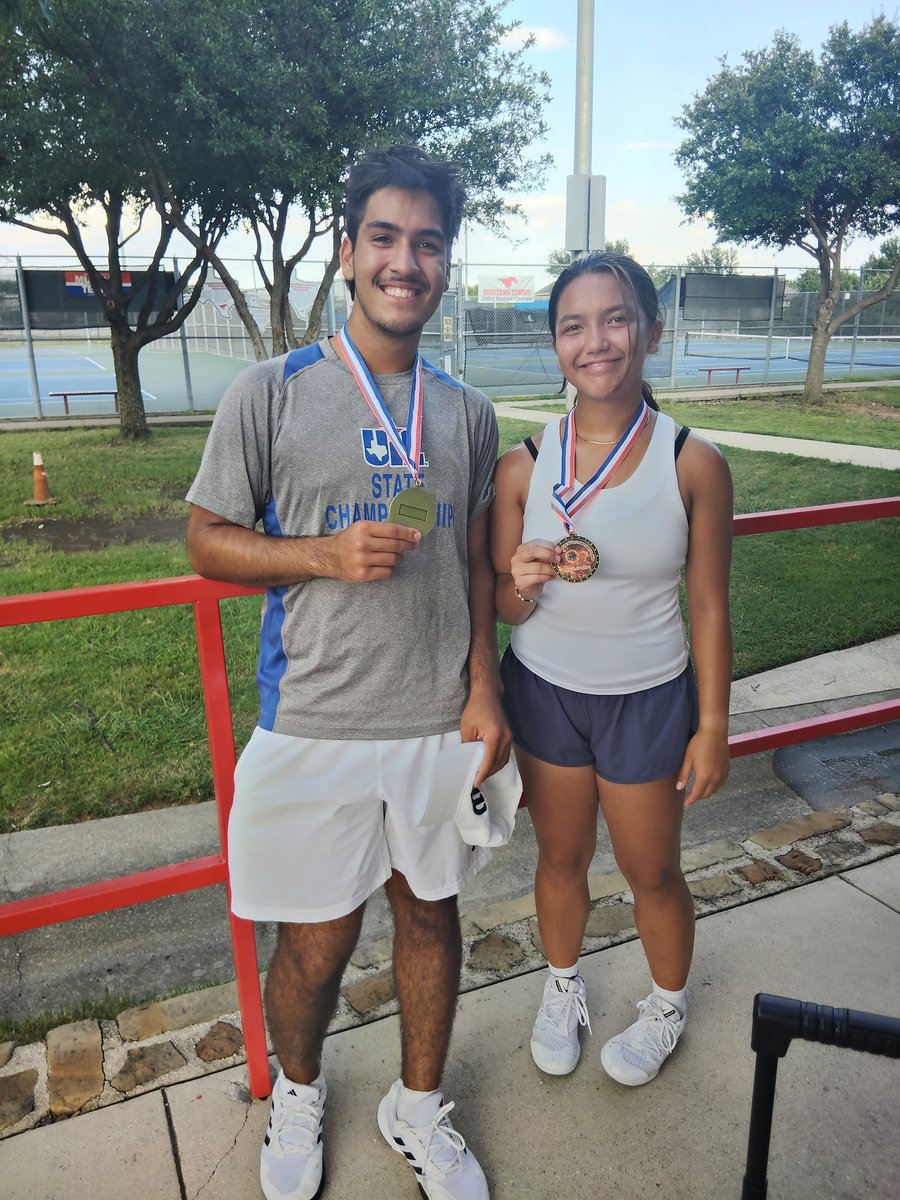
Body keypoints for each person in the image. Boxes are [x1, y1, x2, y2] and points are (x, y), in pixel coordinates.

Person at [186, 145, 509, 1200]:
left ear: (444, 262)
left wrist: (484, 690)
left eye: (426, 243)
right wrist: (319, 554)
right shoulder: (270, 390)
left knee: (431, 917)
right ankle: (299, 1088)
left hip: (434, 723)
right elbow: (205, 539)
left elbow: (468, 560)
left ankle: (418, 1106)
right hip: (315, 720)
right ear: (347, 252)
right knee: (314, 946)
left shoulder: (463, 409)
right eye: (385, 238)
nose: (404, 262)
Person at [490, 251, 733, 1087]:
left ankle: (666, 1002)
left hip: (649, 700)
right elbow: (505, 604)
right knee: (559, 860)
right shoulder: (522, 464)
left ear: (651, 332)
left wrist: (712, 726)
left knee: (651, 871)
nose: (596, 341)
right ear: (556, 345)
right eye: (573, 325)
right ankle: (563, 988)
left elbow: (708, 606)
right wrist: (516, 582)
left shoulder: (692, 462)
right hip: (546, 693)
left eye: (616, 319)